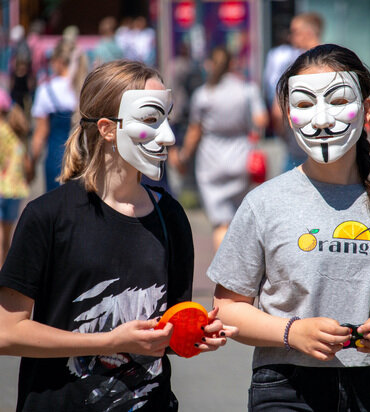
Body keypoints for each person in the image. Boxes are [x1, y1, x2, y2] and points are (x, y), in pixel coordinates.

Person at [208, 44, 370, 411]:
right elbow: (226, 308)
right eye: (305, 105)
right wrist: (292, 333)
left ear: (367, 108)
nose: (322, 119)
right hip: (285, 385)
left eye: (338, 101)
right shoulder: (265, 202)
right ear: (289, 114)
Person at [0, 60, 237, 411]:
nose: (169, 135)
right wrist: (108, 341)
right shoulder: (48, 216)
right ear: (108, 129)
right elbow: (7, 332)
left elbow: (163, 335)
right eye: (151, 120)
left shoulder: (169, 216)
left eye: (167, 118)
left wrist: (194, 334)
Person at [177, 46, 268, 251]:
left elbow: (194, 132)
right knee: (238, 220)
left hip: (210, 160)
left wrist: (183, 157)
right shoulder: (247, 89)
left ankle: (225, 274)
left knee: (220, 224)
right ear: (232, 64)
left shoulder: (203, 94)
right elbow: (261, 120)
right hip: (240, 156)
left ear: (210, 65)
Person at [265, 12, 324, 171]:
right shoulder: (334, 60)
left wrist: (285, 137)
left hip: (299, 148)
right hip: (332, 146)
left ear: (308, 32)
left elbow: (277, 113)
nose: (291, 37)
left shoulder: (296, 65)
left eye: (294, 31)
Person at [28, 38, 84, 192]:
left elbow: (40, 134)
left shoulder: (47, 90)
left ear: (58, 61)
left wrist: (32, 164)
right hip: (84, 159)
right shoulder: (84, 87)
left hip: (57, 160)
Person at [0, 89, 30, 266]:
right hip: (16, 190)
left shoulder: (2, 132)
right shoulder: (17, 133)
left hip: (2, 188)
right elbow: (26, 164)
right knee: (7, 237)